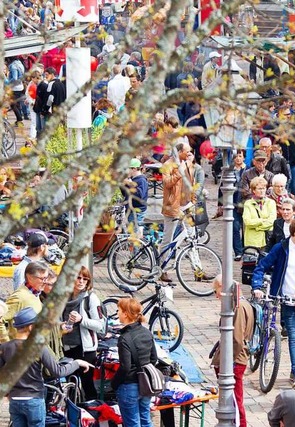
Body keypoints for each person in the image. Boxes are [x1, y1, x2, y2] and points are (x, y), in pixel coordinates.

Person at [0, 307, 92, 427]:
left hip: (15, 401)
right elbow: (58, 371)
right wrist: (77, 363)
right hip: (34, 399)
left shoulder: (4, 347)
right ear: (31, 327)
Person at [252, 219, 295, 384]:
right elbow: (262, 266)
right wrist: (257, 286)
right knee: (293, 336)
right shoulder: (281, 248)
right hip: (286, 298)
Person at [211, 275, 254, 427]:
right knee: (235, 399)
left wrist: (226, 363)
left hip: (235, 361)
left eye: (216, 291)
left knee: (235, 400)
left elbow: (236, 339)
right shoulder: (241, 304)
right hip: (235, 359)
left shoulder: (239, 307)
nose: (216, 296)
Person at [111, 298, 157, 427]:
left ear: (125, 314)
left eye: (119, 310)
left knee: (132, 423)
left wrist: (114, 383)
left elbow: (125, 367)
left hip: (129, 386)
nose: (117, 313)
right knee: (146, 420)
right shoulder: (146, 332)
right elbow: (154, 358)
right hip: (146, 385)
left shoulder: (124, 338)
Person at [61, 267, 106, 400]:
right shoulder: (64, 297)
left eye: (85, 279)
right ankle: (73, 413)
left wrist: (81, 320)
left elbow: (100, 325)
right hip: (66, 346)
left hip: (85, 350)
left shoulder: (90, 299)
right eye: (78, 278)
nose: (81, 281)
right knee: (70, 383)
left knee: (87, 384)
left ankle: (91, 413)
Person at [160, 142, 194, 282]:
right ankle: (162, 269)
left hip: (186, 205)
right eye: (186, 151)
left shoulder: (187, 163)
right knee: (168, 239)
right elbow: (167, 183)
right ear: (179, 152)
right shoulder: (168, 165)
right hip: (173, 207)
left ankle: (197, 269)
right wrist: (179, 172)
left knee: (192, 238)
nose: (189, 154)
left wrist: (193, 198)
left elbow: (190, 183)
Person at [0, 261, 48, 342]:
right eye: (42, 278)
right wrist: (7, 345)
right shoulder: (19, 297)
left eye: (46, 278)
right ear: (29, 277)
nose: (45, 282)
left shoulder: (35, 293)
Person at [242, 176, 277, 249]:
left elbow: (271, 221)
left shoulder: (271, 202)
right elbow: (247, 222)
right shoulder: (248, 203)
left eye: (264, 188)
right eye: (259, 189)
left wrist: (257, 228)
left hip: (268, 240)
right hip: (252, 241)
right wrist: (262, 220)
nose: (262, 191)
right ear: (254, 190)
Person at [124, 158, 148, 232]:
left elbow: (139, 195)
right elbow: (126, 193)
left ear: (134, 169)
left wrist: (130, 184)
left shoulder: (141, 180)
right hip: (131, 210)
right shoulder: (132, 179)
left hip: (137, 211)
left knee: (134, 234)